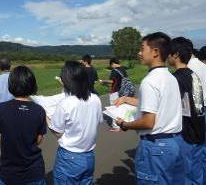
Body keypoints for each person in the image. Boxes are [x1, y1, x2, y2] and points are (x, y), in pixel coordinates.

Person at [115, 32, 184, 184]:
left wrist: (124, 124)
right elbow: (157, 104)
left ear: (155, 52)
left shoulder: (149, 81)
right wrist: (127, 99)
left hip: (156, 146)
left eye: (142, 48)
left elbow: (148, 122)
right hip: (175, 142)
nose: (139, 53)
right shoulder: (170, 77)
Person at [0, 66, 47, 185]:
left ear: (11, 85)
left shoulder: (0, 109)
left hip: (8, 173)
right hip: (35, 171)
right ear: (32, 85)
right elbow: (38, 140)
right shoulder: (39, 110)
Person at [49, 61, 103, 185]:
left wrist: (47, 117)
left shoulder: (66, 103)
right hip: (89, 157)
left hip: (69, 158)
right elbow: (97, 121)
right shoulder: (95, 99)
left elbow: (57, 132)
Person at [168, 37, 205, 184]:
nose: (167, 56)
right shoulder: (192, 74)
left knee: (183, 174)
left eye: (169, 52)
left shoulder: (176, 78)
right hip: (199, 127)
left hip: (186, 133)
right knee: (196, 172)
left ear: (176, 54)